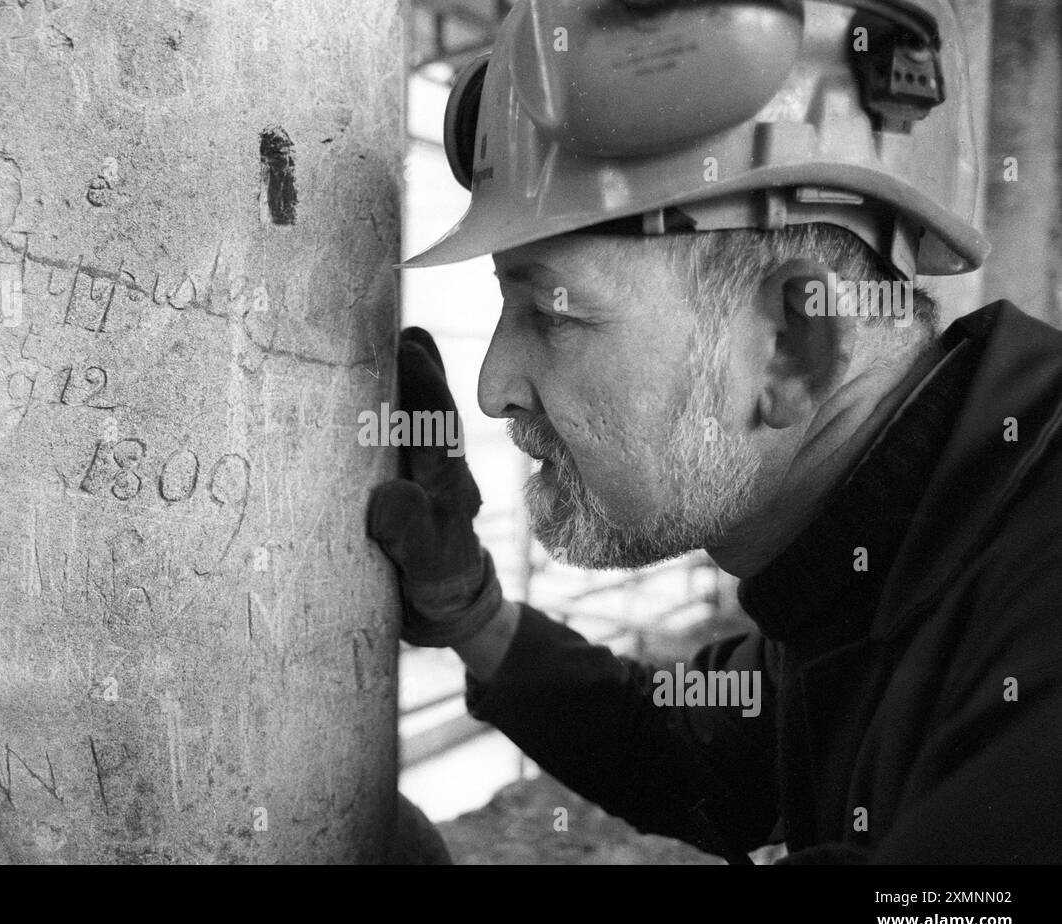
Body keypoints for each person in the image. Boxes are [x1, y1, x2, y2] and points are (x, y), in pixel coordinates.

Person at [368, 0, 1062, 863]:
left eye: (553, 312)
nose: (493, 387)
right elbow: (715, 752)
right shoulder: (881, 560)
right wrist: (472, 612)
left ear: (791, 348)